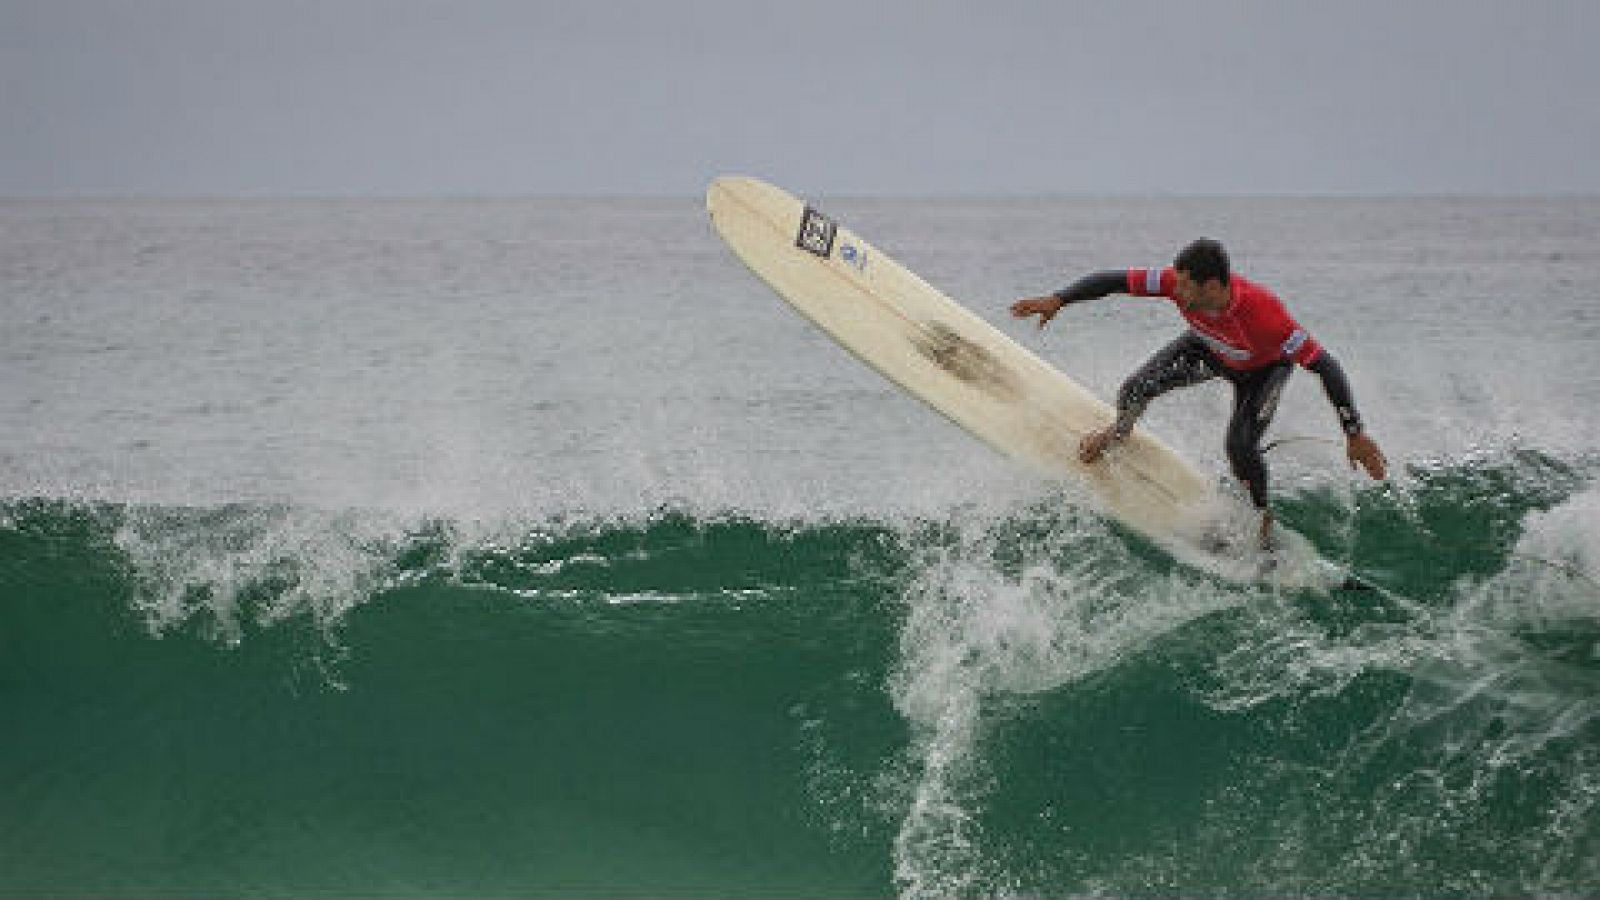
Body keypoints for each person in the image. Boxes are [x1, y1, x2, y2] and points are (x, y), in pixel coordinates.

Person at [1009, 238, 1387, 549]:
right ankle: (1118, 433)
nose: (1177, 287)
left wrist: (1353, 433)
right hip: (1209, 349)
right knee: (1135, 388)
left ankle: (1261, 521)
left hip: (1262, 372)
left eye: (1187, 284)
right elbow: (1115, 281)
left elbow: (1325, 364)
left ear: (1212, 286)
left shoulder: (1266, 313)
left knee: (1240, 445)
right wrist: (1059, 299)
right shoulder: (1177, 284)